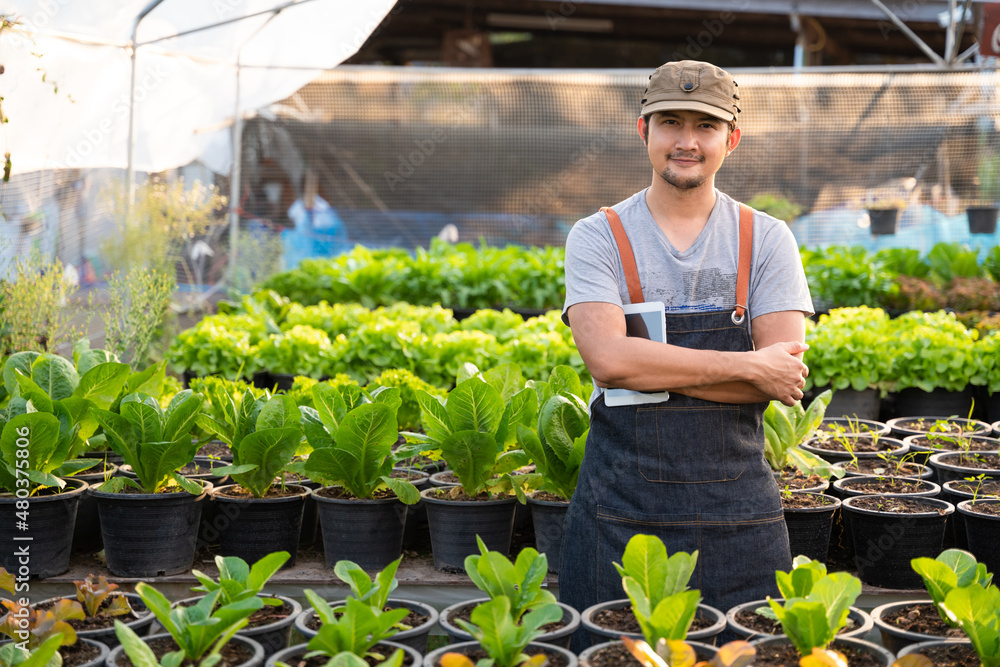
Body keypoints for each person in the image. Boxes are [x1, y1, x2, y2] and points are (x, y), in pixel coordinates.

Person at [558, 60, 814, 641]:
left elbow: (783, 378)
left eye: (705, 125)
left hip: (739, 518)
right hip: (621, 513)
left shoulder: (767, 239)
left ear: (732, 138)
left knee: (745, 653)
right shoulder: (597, 236)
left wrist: (645, 368)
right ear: (642, 129)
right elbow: (608, 362)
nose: (687, 141)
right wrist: (749, 365)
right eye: (670, 122)